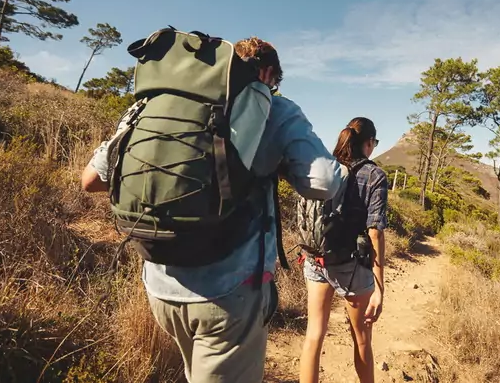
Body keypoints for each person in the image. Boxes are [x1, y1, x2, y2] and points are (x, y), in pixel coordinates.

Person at [81, 36, 344, 383]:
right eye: (274, 82)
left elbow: (90, 180)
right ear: (267, 73)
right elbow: (323, 183)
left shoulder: (160, 102)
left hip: (160, 283)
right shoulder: (275, 109)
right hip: (228, 295)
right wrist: (278, 163)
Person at [299, 117, 388, 383]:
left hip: (316, 259)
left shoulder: (326, 168)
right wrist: (379, 287)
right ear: (369, 143)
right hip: (352, 267)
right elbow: (375, 231)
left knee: (314, 334)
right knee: (361, 339)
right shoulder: (374, 175)